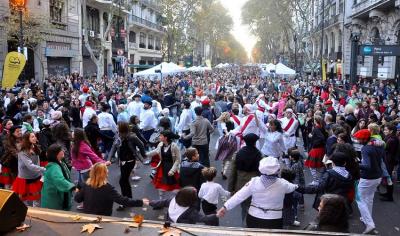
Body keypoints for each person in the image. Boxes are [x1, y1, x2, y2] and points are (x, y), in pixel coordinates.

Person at [218, 156, 298, 229]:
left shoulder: (254, 182)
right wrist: (297, 186)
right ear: (278, 170)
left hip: (254, 217)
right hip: (274, 219)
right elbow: (293, 187)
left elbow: (239, 196)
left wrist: (225, 207)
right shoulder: (283, 184)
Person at [74, 163, 146, 216]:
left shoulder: (86, 185)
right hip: (103, 217)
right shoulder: (108, 188)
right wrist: (140, 202)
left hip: (88, 216)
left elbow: (77, 199)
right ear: (104, 174)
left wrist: (78, 191)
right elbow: (123, 200)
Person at [108, 122, 146, 211]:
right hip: (122, 161)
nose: (116, 128)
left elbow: (141, 145)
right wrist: (109, 159)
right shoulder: (118, 136)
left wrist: (143, 155)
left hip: (130, 161)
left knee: (122, 181)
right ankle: (129, 200)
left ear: (122, 128)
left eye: (118, 127)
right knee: (124, 181)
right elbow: (113, 147)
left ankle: (125, 202)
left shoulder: (132, 137)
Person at [353, 129, 383, 234]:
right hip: (378, 176)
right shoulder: (378, 145)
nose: (357, 140)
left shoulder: (366, 149)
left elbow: (367, 166)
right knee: (369, 199)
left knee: (359, 199)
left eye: (358, 139)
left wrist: (355, 164)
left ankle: (370, 224)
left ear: (364, 139)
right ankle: (366, 219)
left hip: (368, 178)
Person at [228, 133, 262, 222]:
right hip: (255, 184)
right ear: (255, 143)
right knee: (254, 205)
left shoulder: (238, 153)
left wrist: (230, 188)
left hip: (240, 184)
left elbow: (232, 172)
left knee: (244, 206)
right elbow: (261, 172)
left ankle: (245, 222)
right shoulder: (259, 154)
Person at [149, 186, 218, 225]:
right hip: (184, 227)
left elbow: (160, 202)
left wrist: (149, 202)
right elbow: (204, 218)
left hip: (170, 223)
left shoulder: (172, 200)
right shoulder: (191, 212)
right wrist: (216, 215)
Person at [12, 132, 46, 206]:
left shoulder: (35, 146)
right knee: (23, 200)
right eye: (32, 137)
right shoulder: (22, 152)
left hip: (36, 177)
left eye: (35, 136)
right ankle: (24, 214)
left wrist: (41, 172)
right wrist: (43, 169)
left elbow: (37, 161)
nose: (35, 138)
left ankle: (36, 214)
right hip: (25, 178)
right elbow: (30, 166)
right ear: (27, 139)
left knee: (37, 198)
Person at [147, 130, 181, 199]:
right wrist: (145, 155)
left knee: (174, 187)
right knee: (161, 185)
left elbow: (178, 160)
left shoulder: (174, 146)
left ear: (165, 138)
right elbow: (155, 151)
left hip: (172, 168)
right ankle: (161, 201)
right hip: (162, 168)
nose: (159, 137)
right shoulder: (160, 144)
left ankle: (175, 201)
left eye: (161, 135)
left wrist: (172, 170)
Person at [41, 144, 75, 210]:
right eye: (61, 150)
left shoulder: (60, 162)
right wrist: (72, 187)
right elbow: (59, 180)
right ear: (56, 154)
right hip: (54, 198)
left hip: (56, 195)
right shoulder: (54, 167)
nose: (63, 151)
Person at [305, 115, 328, 185]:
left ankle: (316, 180)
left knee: (312, 166)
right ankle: (319, 180)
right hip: (321, 149)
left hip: (316, 149)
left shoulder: (316, 128)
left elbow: (322, 138)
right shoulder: (322, 127)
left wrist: (312, 139)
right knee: (320, 166)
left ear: (315, 121)